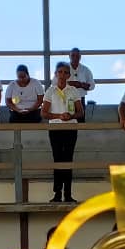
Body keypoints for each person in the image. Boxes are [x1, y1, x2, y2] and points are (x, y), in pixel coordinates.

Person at [41, 61, 85, 203]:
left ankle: (68, 193)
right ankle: (57, 193)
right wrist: (59, 116)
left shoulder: (73, 90)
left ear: (69, 75)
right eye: (60, 72)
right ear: (56, 74)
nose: (62, 74)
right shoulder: (50, 90)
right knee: (58, 160)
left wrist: (70, 116)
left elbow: (80, 112)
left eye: (65, 72)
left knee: (68, 160)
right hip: (55, 128)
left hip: (70, 128)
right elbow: (44, 113)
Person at [67, 48, 95, 113]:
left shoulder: (85, 70)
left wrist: (81, 85)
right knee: (66, 120)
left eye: (77, 56)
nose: (75, 58)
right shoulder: (63, 68)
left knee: (80, 120)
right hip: (65, 98)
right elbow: (55, 83)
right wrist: (69, 84)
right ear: (69, 56)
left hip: (80, 99)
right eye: (73, 55)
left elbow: (92, 86)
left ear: (80, 57)